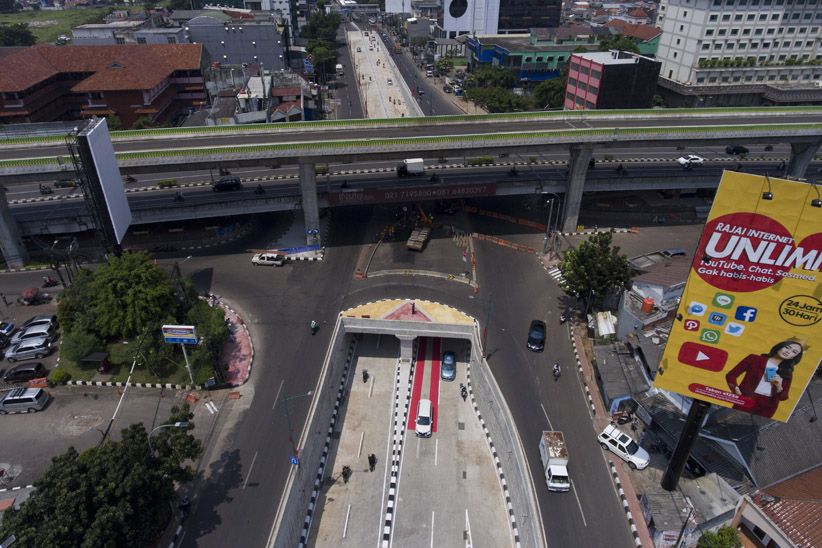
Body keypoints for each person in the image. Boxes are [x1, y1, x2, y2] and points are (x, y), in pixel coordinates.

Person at [725, 340, 804, 418]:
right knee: (730, 419)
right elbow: (731, 375)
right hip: (747, 398)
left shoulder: (786, 372)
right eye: (787, 347)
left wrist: (778, 386)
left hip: (768, 406)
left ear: (793, 357)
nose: (788, 352)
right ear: (780, 347)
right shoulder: (754, 359)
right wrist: (736, 390)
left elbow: (783, 397)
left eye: (794, 352)